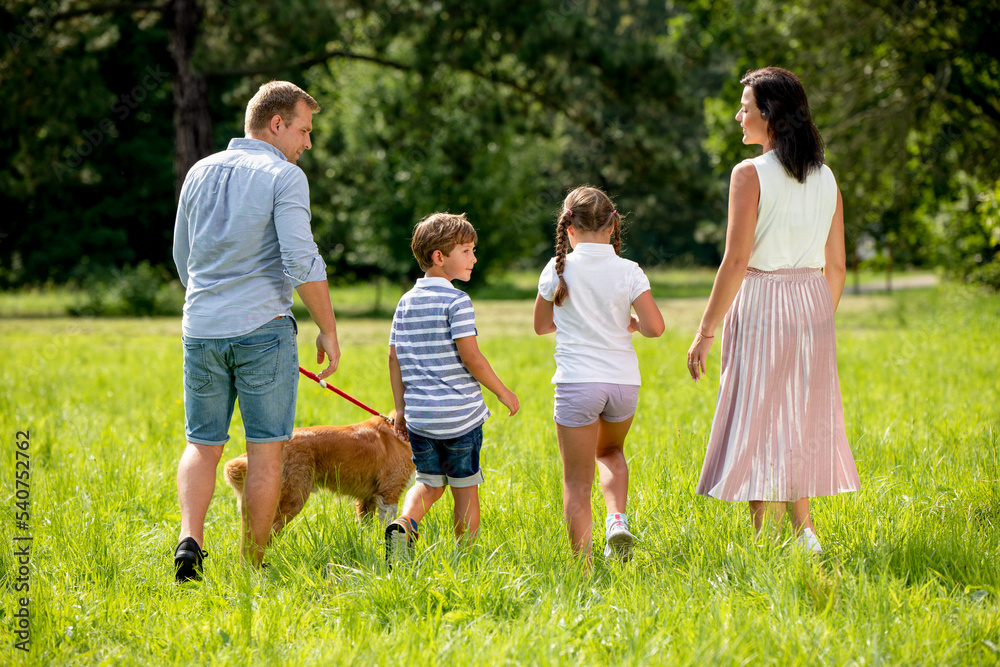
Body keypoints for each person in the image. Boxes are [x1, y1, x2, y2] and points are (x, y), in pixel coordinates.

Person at [171, 81, 341, 581]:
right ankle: (252, 565)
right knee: (267, 450)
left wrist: (210, 302)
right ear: (276, 124)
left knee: (203, 442)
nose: (307, 144)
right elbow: (300, 259)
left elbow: (184, 256)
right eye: (304, 131)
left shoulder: (199, 171)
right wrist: (327, 328)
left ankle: (189, 543)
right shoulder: (284, 177)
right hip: (261, 330)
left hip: (200, 328)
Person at [688, 67, 860, 553]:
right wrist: (816, 318)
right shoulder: (826, 177)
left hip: (763, 298)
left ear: (768, 115)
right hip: (812, 302)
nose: (738, 115)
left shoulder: (749, 174)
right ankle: (804, 532)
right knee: (799, 414)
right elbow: (839, 264)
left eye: (745, 106)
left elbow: (737, 260)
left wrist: (705, 331)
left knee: (758, 413)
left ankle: (764, 537)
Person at [533, 186, 665, 564]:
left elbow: (542, 326)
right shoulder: (629, 270)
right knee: (611, 451)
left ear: (568, 229)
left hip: (578, 383)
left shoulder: (558, 268)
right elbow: (656, 327)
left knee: (576, 480)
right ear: (612, 226)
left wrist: (577, 321)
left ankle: (584, 567)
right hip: (623, 383)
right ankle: (616, 520)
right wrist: (634, 324)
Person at [385, 212, 519, 562]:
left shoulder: (405, 302)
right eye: (466, 250)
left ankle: (405, 522)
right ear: (439, 257)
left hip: (420, 419)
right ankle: (468, 557)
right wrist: (503, 392)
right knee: (465, 491)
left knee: (428, 484)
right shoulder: (457, 301)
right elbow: (471, 357)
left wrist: (400, 410)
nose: (473, 258)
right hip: (460, 416)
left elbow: (393, 358)